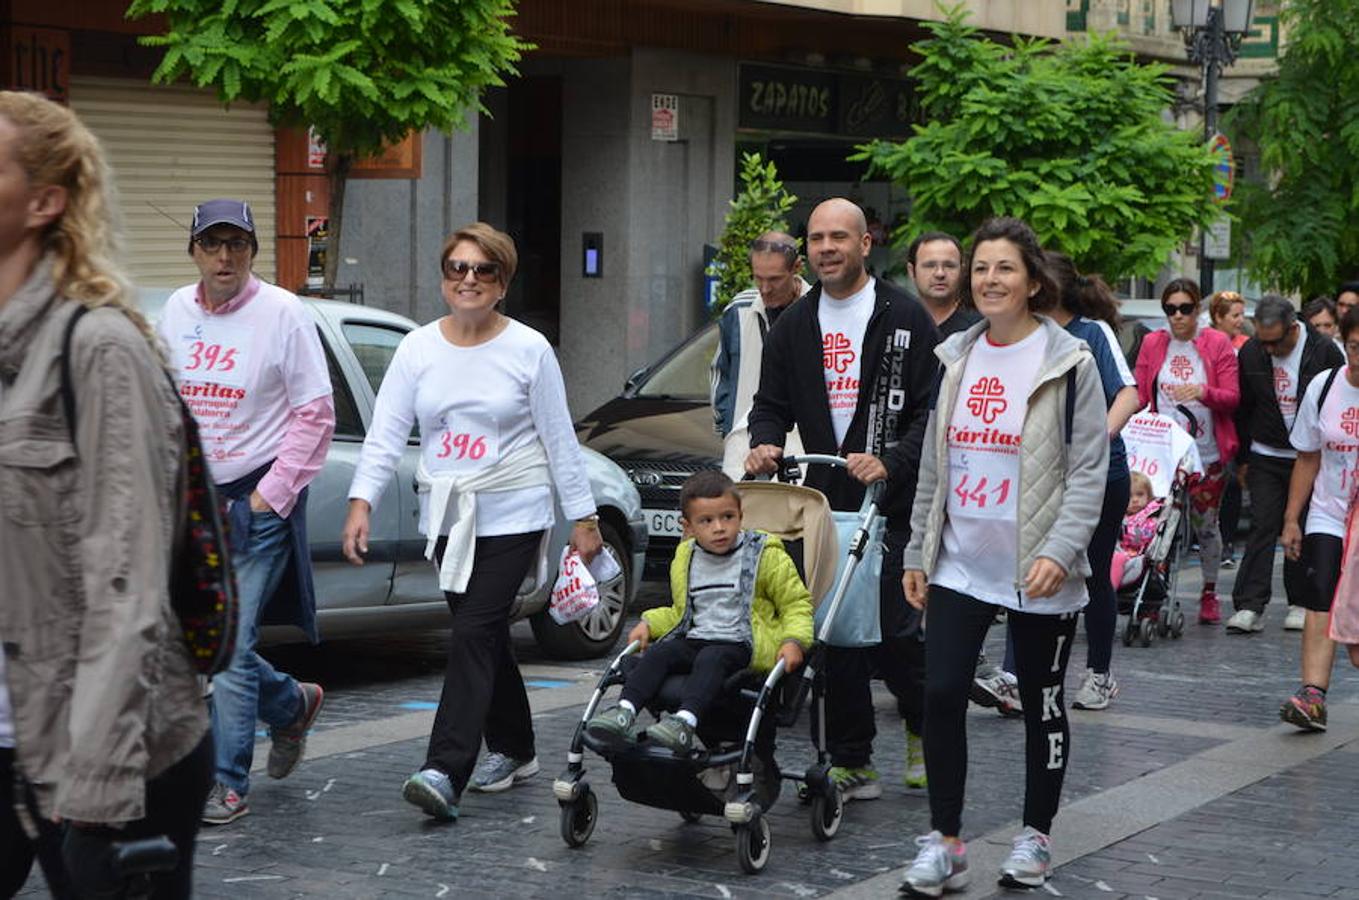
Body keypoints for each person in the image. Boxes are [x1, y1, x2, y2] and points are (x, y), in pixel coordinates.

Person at [0, 90, 210, 898]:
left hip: (114, 762)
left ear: (44, 202)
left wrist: (95, 795)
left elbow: (126, 591)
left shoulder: (101, 350)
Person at [341, 222, 602, 821]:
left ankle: (444, 767)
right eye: (458, 268)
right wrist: (362, 502)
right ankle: (515, 747)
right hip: (450, 517)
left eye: (483, 270)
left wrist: (583, 517)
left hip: (515, 508)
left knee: (472, 633)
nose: (469, 279)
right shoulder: (418, 348)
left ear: (502, 282)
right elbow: (384, 435)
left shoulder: (529, 349)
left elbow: (560, 440)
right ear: (443, 278)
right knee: (480, 636)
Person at [898, 217, 1108, 896]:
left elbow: (1086, 471)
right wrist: (916, 550)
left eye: (1003, 269)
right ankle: (945, 841)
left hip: (1037, 567)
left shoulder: (1067, 363)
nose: (988, 280)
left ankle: (1035, 835)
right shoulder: (955, 356)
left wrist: (1059, 549)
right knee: (938, 693)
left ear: (1031, 281)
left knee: (1043, 701)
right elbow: (936, 464)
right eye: (979, 268)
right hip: (960, 560)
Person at [747, 197, 940, 797]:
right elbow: (769, 403)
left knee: (898, 630)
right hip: (828, 501)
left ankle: (922, 722)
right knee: (838, 630)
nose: (826, 248)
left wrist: (892, 462)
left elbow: (930, 415)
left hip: (896, 501)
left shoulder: (905, 318)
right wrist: (764, 444)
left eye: (839, 237)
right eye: (817, 238)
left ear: (865, 244)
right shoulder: (795, 323)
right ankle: (854, 759)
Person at [157, 199, 334, 825]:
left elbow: (315, 413)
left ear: (254, 250)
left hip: (258, 500)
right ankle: (290, 704)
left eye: (237, 244)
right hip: (196, 503)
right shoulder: (176, 311)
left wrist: (271, 496)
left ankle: (228, 782)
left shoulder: (285, 314)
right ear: (195, 251)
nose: (224, 257)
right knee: (199, 638)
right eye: (212, 244)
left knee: (229, 644)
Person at [585, 471, 813, 752]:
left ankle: (685, 722)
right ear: (688, 527)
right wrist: (649, 623)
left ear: (741, 516)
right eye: (706, 521)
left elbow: (795, 604)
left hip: (741, 641)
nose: (719, 528)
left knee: (711, 657)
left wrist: (793, 641)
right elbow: (681, 611)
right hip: (696, 636)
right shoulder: (686, 557)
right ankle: (625, 710)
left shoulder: (763, 554)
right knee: (661, 652)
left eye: (727, 517)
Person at [1229, 294, 1343, 634]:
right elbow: (1244, 407)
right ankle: (1251, 604)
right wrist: (1244, 458)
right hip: (1266, 452)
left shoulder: (1323, 351)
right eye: (1263, 342)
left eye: (1275, 342)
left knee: (1303, 527)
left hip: (1309, 457)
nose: (1269, 350)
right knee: (1263, 524)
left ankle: (1300, 601)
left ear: (1293, 329)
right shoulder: (1252, 351)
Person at [1133, 278, 1239, 625]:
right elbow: (1140, 392)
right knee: (1156, 525)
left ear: (1198, 309)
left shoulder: (1217, 343)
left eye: (1185, 308)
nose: (1177, 316)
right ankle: (1151, 592)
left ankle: (1209, 592)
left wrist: (1202, 391)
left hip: (1206, 452)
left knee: (1206, 526)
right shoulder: (1152, 342)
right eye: (1170, 309)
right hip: (1161, 453)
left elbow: (1233, 397)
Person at [1277, 306, 1359, 731]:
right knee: (1319, 592)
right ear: (1344, 345)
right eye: (1355, 347)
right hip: (1329, 511)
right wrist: (1293, 519)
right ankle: (1312, 695)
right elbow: (1308, 457)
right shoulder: (1324, 388)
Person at [711, 232, 811, 478]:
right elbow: (719, 372)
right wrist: (729, 427)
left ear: (797, 268)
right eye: (758, 278)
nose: (765, 288)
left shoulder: (819, 309)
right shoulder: (739, 310)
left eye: (775, 279)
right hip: (745, 445)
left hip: (805, 446)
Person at [1209, 290, 1249, 567]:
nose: (1240, 320)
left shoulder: (1247, 344)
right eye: (1235, 315)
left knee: (1232, 483)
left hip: (1236, 421)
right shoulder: (1205, 342)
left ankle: (1228, 541)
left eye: (1241, 314)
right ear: (1217, 317)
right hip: (1209, 420)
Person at [906, 231, 980, 337]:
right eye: (930, 265)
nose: (940, 274)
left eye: (949, 266)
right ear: (912, 271)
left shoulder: (979, 328)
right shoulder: (896, 322)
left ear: (962, 271)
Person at [1111, 472, 1164, 589]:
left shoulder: (1151, 519)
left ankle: (1109, 593)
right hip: (1117, 552)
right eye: (1130, 496)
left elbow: (1143, 538)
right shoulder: (1118, 516)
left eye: (1140, 495)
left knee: (1117, 558)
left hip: (1139, 557)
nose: (1135, 500)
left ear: (1148, 496)